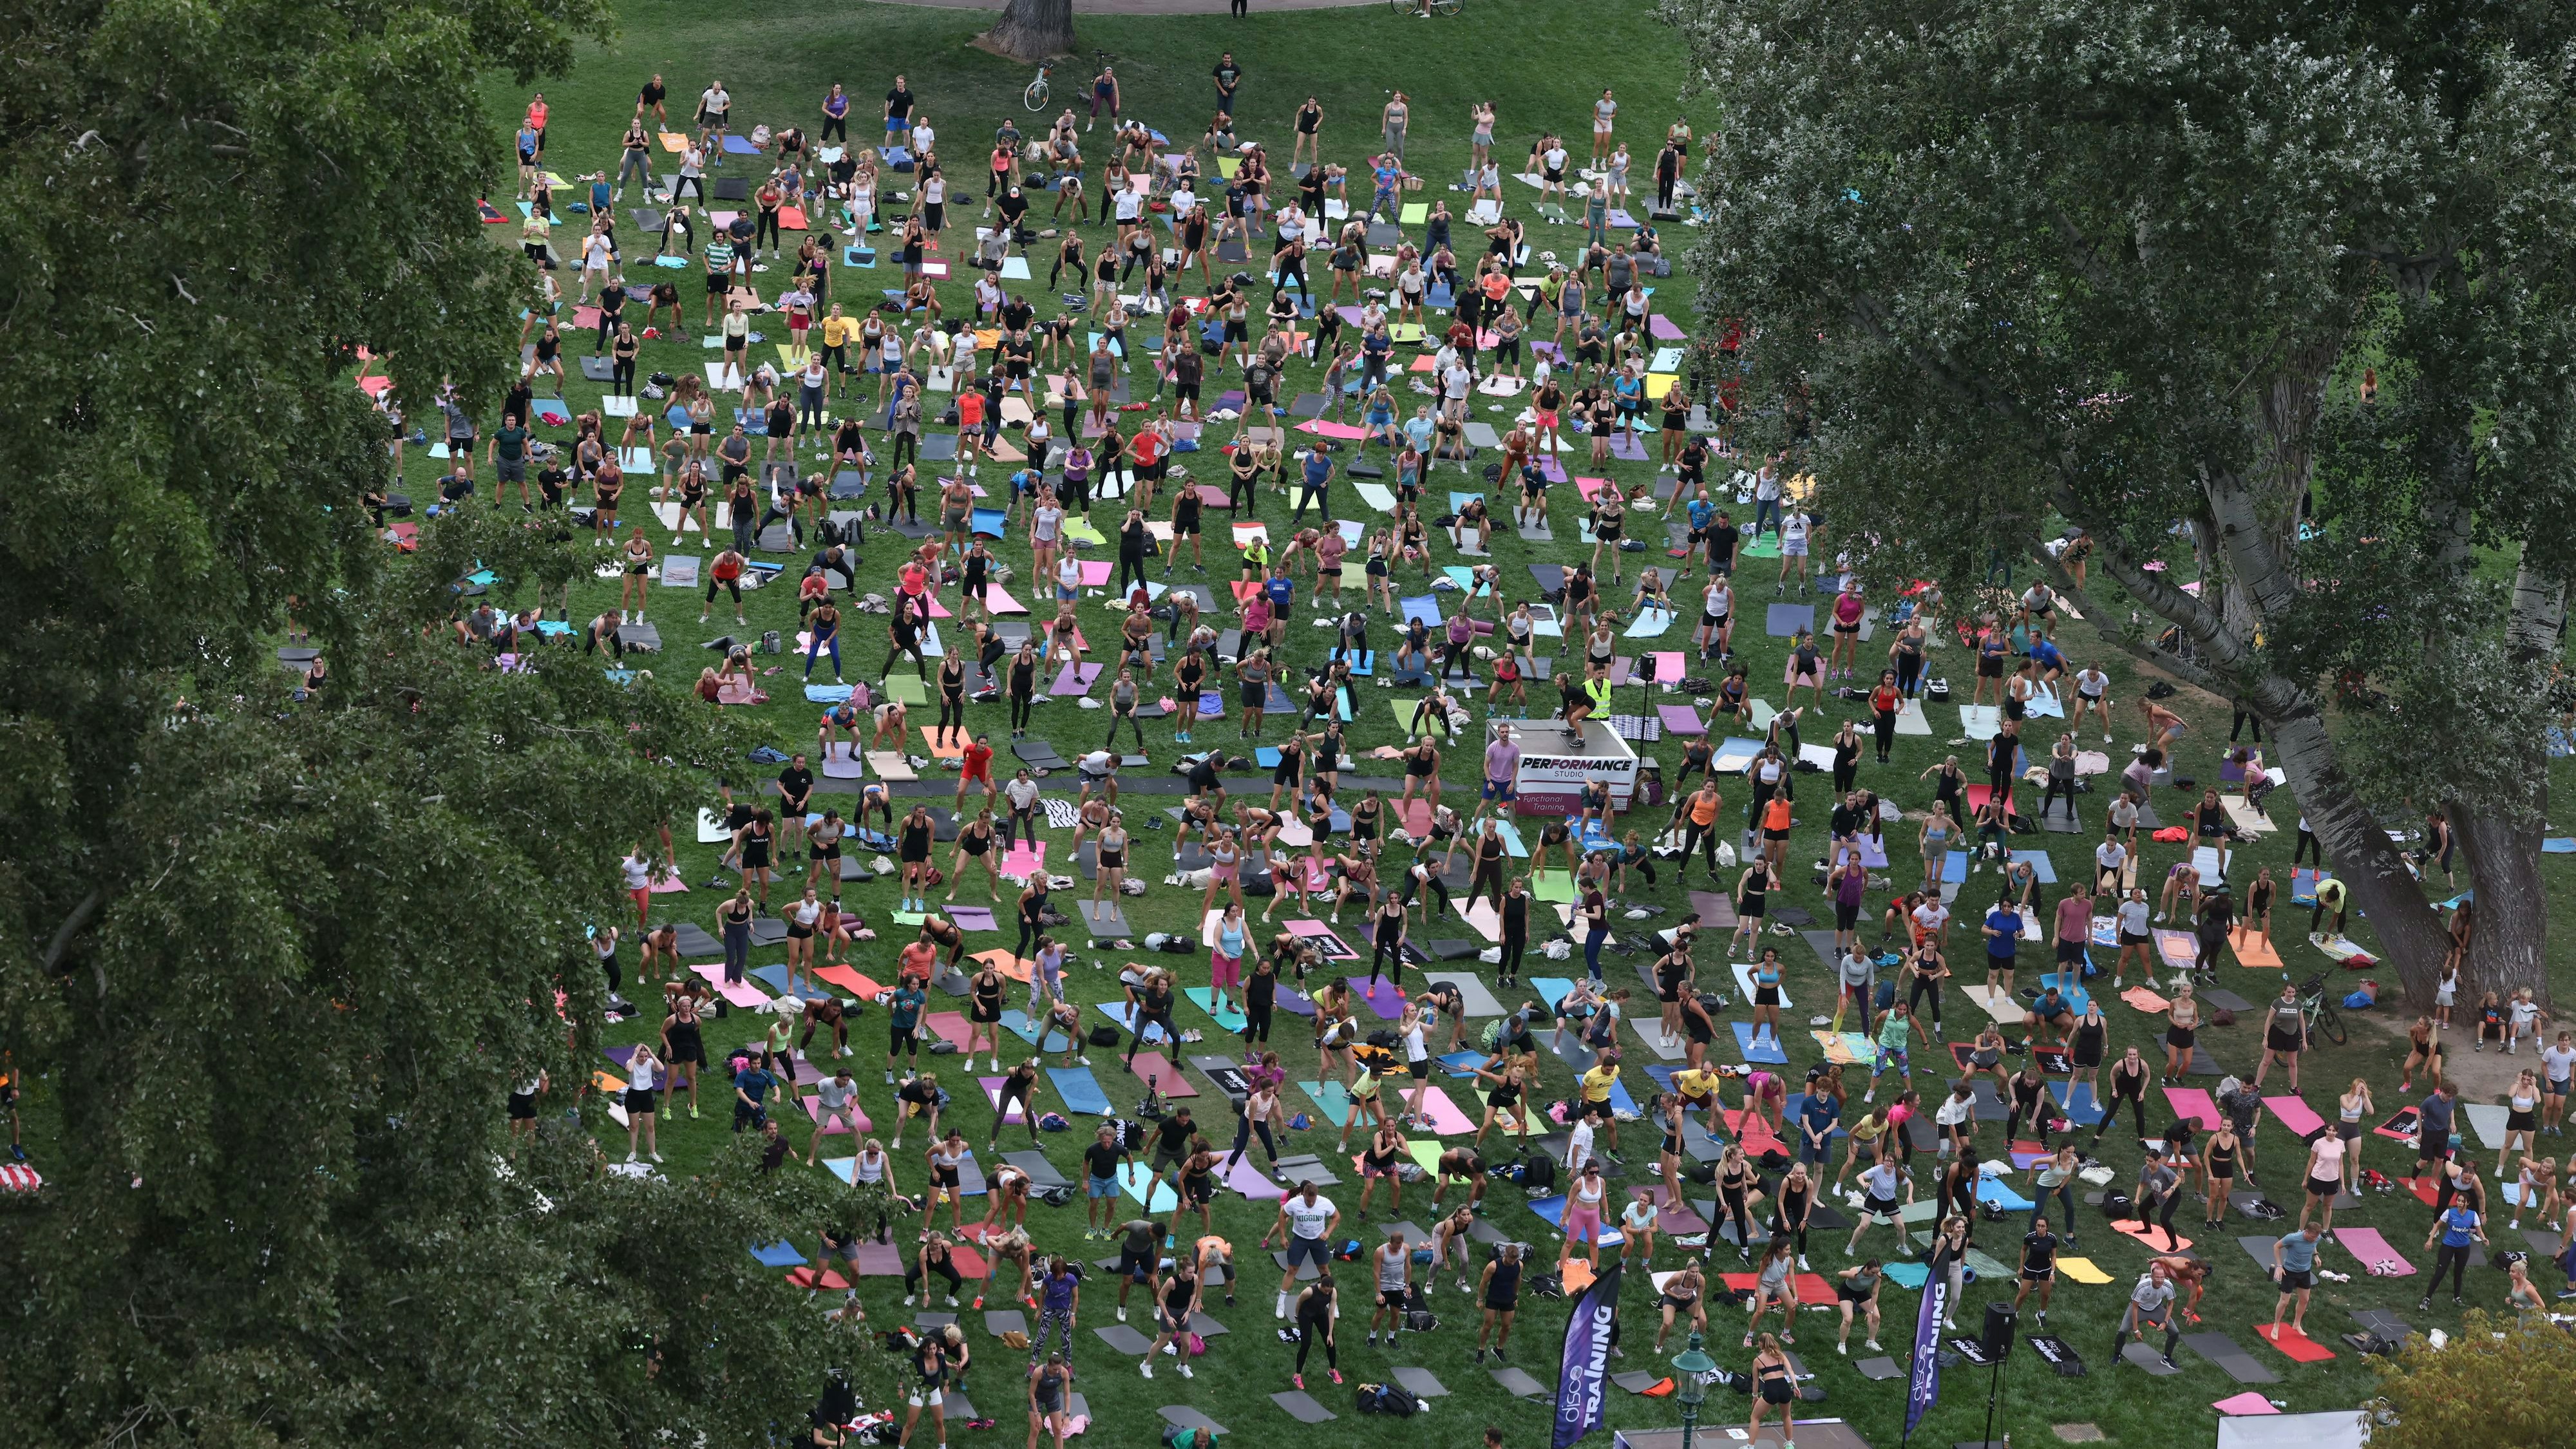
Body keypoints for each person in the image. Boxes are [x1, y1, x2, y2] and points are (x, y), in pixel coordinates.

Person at [2112, 1261, 2183, 1370]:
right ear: (2152, 1277)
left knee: (2175, 1332)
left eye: (2162, 1277)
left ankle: (2166, 1358)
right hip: (2139, 1308)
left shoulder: (2168, 1286)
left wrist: (2165, 1322)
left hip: (2156, 1309)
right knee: (2122, 1331)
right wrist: (2136, 1330)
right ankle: (2117, 1355)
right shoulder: (2143, 1286)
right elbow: (2135, 1307)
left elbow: (2170, 1303)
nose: (2160, 1280)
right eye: (2157, 1277)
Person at [2421, 1195, 2485, 1311]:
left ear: (2468, 1203)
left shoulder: (2472, 1215)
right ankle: (2427, 1298)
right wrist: (2430, 1240)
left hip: (2463, 1248)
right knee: (2440, 1273)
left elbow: (2479, 1230)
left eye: (2462, 1201)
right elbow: (2437, 1225)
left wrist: (2484, 1238)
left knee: (2458, 1273)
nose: (2460, 1203)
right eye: (2458, 1201)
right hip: (2448, 1246)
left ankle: (2456, 1297)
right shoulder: (2449, 1213)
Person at [2268, 1222, 2324, 1339]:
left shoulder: (2316, 1237)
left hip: (2305, 1272)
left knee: (2305, 1299)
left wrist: (2316, 1255)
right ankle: (2276, 1325)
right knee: (2284, 1301)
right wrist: (2279, 1266)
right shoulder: (2293, 1238)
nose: (2315, 1239)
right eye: (2312, 1237)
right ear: (2306, 1232)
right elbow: (2276, 1246)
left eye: (2316, 1238)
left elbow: (2314, 1245)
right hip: (2290, 1272)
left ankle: (2296, 1324)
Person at [1472, 1242, 1522, 1363]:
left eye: (1514, 1261)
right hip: (1494, 1299)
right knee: (1488, 1326)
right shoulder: (1493, 1266)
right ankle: (1481, 1350)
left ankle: (1498, 1349)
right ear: (1505, 1255)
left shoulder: (1519, 1265)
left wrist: (1516, 1296)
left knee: (1507, 1326)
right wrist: (1480, 1299)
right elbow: (1483, 1283)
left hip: (1508, 1299)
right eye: (1510, 1260)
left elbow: (1518, 1280)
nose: (1512, 1263)